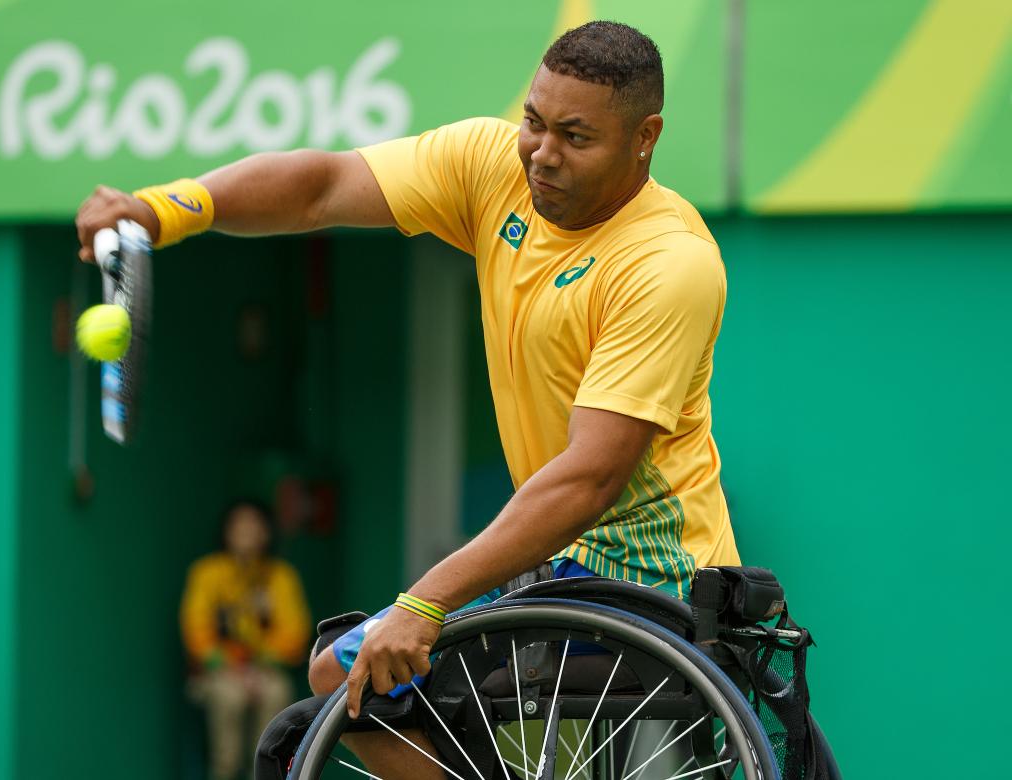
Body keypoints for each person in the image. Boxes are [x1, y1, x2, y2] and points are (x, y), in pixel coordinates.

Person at [82, 21, 740, 780]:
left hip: (655, 583)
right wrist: (164, 210)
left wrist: (423, 603)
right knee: (345, 674)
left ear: (644, 137)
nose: (542, 152)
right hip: (557, 575)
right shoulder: (496, 169)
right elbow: (321, 187)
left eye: (575, 136)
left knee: (368, 666)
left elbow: (590, 477)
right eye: (533, 121)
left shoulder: (667, 264)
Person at [180, 500, 311, 780]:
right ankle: (223, 773)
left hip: (267, 672)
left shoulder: (281, 576)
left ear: (266, 532)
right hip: (219, 672)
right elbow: (196, 632)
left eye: (254, 525)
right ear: (226, 531)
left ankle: (263, 774)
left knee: (276, 692)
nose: (247, 531)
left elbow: (294, 634)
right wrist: (235, 666)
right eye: (239, 525)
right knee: (230, 696)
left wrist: (258, 664)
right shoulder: (207, 573)